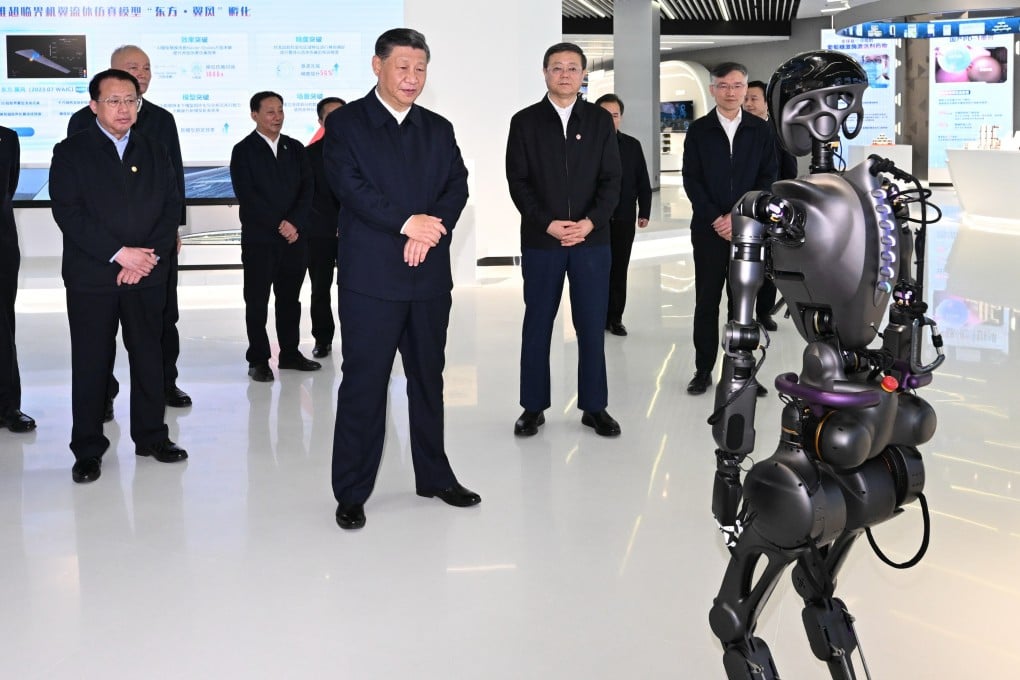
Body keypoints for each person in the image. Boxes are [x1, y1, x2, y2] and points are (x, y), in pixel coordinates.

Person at [324, 28, 480, 530]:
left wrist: (429, 229)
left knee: (429, 381)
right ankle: (352, 490)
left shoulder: (437, 127)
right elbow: (349, 187)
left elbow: (456, 185)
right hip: (371, 280)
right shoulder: (346, 122)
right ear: (377, 66)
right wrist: (405, 222)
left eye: (420, 69)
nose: (412, 78)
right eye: (402, 68)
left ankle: (434, 474)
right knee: (364, 385)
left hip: (429, 278)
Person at [50, 68, 188, 484]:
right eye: (113, 101)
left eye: (130, 100)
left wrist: (144, 259)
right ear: (94, 106)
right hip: (93, 276)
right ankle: (88, 448)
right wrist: (119, 254)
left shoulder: (154, 148)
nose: (124, 108)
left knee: (149, 356)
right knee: (92, 361)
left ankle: (151, 437)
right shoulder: (71, 151)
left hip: (146, 273)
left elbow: (169, 207)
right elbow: (68, 213)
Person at [67, 45, 191, 416]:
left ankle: (165, 384)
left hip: (154, 249)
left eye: (148, 68)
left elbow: (175, 184)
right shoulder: (80, 122)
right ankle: (103, 396)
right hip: (101, 254)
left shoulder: (162, 120)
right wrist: (119, 252)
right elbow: (79, 197)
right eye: (133, 67)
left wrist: (170, 234)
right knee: (97, 340)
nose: (143, 74)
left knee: (161, 321)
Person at [506, 42, 622, 438]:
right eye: (558, 67)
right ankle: (532, 407)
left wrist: (589, 222)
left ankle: (595, 407)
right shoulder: (525, 122)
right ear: (545, 73)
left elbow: (612, 180)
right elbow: (517, 182)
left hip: (592, 241)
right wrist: (548, 223)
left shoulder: (599, 121)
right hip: (543, 242)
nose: (566, 74)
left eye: (574, 68)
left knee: (591, 324)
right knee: (537, 323)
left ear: (583, 74)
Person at [682, 62, 777, 396]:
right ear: (713, 90)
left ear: (745, 87)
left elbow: (768, 178)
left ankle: (744, 370)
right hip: (709, 230)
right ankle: (703, 369)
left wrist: (738, 216)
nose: (731, 92)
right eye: (723, 86)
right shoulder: (699, 130)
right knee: (706, 300)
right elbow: (691, 179)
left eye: (738, 85)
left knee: (743, 303)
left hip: (748, 229)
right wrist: (716, 218)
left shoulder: (761, 130)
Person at [230, 91, 318, 382]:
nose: (277, 117)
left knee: (290, 300)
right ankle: (258, 359)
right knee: (257, 301)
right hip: (260, 240)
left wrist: (294, 223)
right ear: (254, 114)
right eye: (270, 112)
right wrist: (278, 224)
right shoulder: (243, 150)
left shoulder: (296, 148)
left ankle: (290, 353)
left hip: (294, 240)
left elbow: (308, 190)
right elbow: (249, 196)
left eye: (280, 111)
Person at [594, 93, 652, 337]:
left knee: (619, 270)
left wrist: (645, 210)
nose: (609, 120)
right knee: (594, 271)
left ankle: (615, 318)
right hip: (593, 222)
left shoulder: (631, 145)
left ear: (621, 117)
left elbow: (642, 180)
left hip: (624, 218)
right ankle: (594, 319)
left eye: (614, 115)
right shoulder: (586, 146)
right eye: (604, 115)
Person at [744, 79, 798, 332]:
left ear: (767, 103)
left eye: (754, 98)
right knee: (744, 264)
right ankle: (742, 313)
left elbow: (790, 173)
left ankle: (763, 312)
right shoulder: (738, 133)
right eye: (746, 98)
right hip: (742, 209)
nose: (748, 103)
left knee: (768, 264)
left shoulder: (779, 135)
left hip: (771, 210)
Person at [0, 126, 35, 433]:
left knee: (3, 326)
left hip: (1, 246)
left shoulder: (7, 138)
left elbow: (7, 190)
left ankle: (8, 406)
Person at [304, 96, 345, 358]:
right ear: (321, 121)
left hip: (356, 233)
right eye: (331, 116)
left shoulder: (364, 151)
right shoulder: (308, 155)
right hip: (320, 233)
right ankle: (323, 339)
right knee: (320, 289)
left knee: (359, 289)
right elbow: (306, 196)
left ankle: (361, 337)